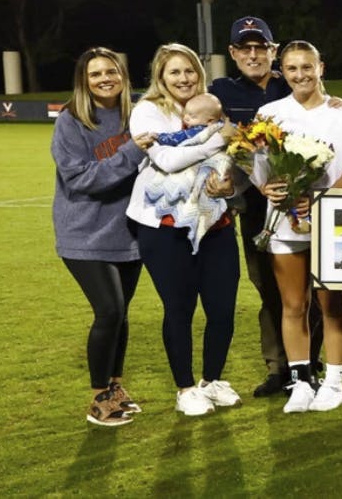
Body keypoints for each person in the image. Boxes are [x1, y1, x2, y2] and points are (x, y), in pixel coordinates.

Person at [126, 44, 243, 417]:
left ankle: (212, 380)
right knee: (179, 307)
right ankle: (185, 387)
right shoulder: (147, 110)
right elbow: (168, 158)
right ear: (160, 77)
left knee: (222, 308)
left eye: (189, 71)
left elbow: (242, 162)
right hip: (165, 228)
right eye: (174, 72)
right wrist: (217, 137)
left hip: (217, 223)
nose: (183, 79)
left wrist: (232, 178)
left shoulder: (211, 104)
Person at [209, 16, 322, 399]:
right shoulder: (220, 91)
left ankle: (311, 366)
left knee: (313, 292)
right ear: (233, 53)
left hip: (306, 208)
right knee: (270, 292)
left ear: (274, 51)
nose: (253, 54)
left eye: (261, 47)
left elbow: (320, 104)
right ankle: (280, 368)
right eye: (245, 48)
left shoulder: (289, 81)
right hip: (257, 212)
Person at [254, 41, 342, 413]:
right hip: (285, 220)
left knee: (331, 304)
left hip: (329, 220)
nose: (300, 75)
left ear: (321, 67)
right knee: (293, 304)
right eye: (292, 68)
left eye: (307, 67)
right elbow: (256, 164)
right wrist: (266, 187)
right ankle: (300, 382)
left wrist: (318, 201)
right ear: (282, 72)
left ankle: (333, 383)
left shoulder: (340, 114)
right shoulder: (270, 113)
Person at [55, 48, 149, 426]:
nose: (105, 78)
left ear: (123, 76)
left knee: (121, 314)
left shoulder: (138, 114)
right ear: (84, 81)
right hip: (84, 232)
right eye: (95, 74)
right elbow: (79, 178)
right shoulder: (72, 120)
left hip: (129, 230)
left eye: (111, 71)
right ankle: (98, 399)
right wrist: (130, 152)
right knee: (109, 310)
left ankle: (114, 388)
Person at [138, 92, 232, 245]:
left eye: (192, 116)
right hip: (167, 226)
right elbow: (168, 161)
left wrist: (160, 137)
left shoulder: (196, 131)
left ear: (209, 120)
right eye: (186, 115)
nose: (186, 119)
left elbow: (177, 138)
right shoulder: (224, 128)